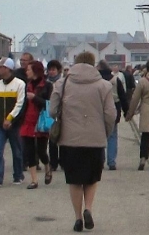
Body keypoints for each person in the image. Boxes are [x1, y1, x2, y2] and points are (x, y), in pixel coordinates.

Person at [50, 51, 115, 233]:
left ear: (75, 63)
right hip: (95, 139)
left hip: (69, 140)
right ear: (94, 64)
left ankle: (78, 218)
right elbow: (110, 114)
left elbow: (52, 111)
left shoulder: (61, 84)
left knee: (74, 180)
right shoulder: (104, 86)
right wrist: (105, 133)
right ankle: (89, 208)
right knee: (92, 178)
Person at [0, 56, 26, 187]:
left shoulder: (20, 84)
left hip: (14, 124)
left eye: (0, 67)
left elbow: (20, 104)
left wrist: (10, 118)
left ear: (7, 69)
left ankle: (18, 174)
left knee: (17, 150)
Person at [19, 60, 52, 189]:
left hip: (41, 121)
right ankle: (34, 180)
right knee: (29, 151)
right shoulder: (26, 85)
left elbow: (49, 104)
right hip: (27, 121)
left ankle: (47, 166)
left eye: (28, 70)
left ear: (36, 71)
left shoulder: (47, 86)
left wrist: (35, 98)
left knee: (41, 151)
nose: (26, 72)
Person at [96, 60, 129, 171]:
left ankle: (99, 161)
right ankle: (111, 162)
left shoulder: (96, 81)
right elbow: (123, 97)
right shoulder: (116, 80)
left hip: (98, 110)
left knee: (99, 137)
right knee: (112, 135)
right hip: (114, 108)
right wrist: (127, 112)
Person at [45, 60, 63, 178]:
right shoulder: (46, 82)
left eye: (53, 69)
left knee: (61, 137)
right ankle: (53, 162)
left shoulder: (62, 82)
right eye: (50, 69)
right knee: (52, 137)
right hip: (47, 111)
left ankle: (62, 160)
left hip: (61, 111)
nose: (51, 72)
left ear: (58, 70)